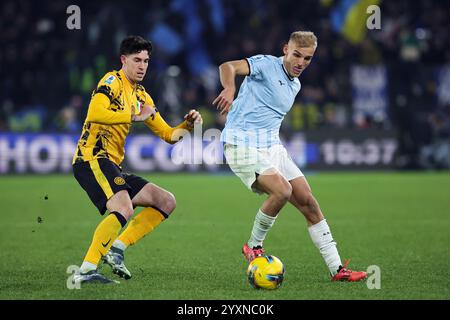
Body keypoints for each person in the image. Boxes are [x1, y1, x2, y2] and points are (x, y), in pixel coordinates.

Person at [213, 31, 366, 281]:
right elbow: (227, 66)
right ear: (286, 49)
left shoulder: (296, 84)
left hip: (272, 147)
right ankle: (253, 245)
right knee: (282, 191)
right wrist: (229, 87)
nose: (300, 63)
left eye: (307, 58)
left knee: (308, 202)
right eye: (296, 55)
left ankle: (338, 269)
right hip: (240, 144)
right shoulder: (265, 65)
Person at [72, 35, 202, 284]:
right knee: (123, 207)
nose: (142, 66)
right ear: (124, 60)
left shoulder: (142, 96)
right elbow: (95, 112)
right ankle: (86, 271)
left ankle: (116, 249)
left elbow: (169, 135)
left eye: (146, 61)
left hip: (112, 163)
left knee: (165, 201)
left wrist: (187, 124)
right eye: (137, 60)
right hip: (91, 157)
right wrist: (133, 115)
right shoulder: (112, 81)